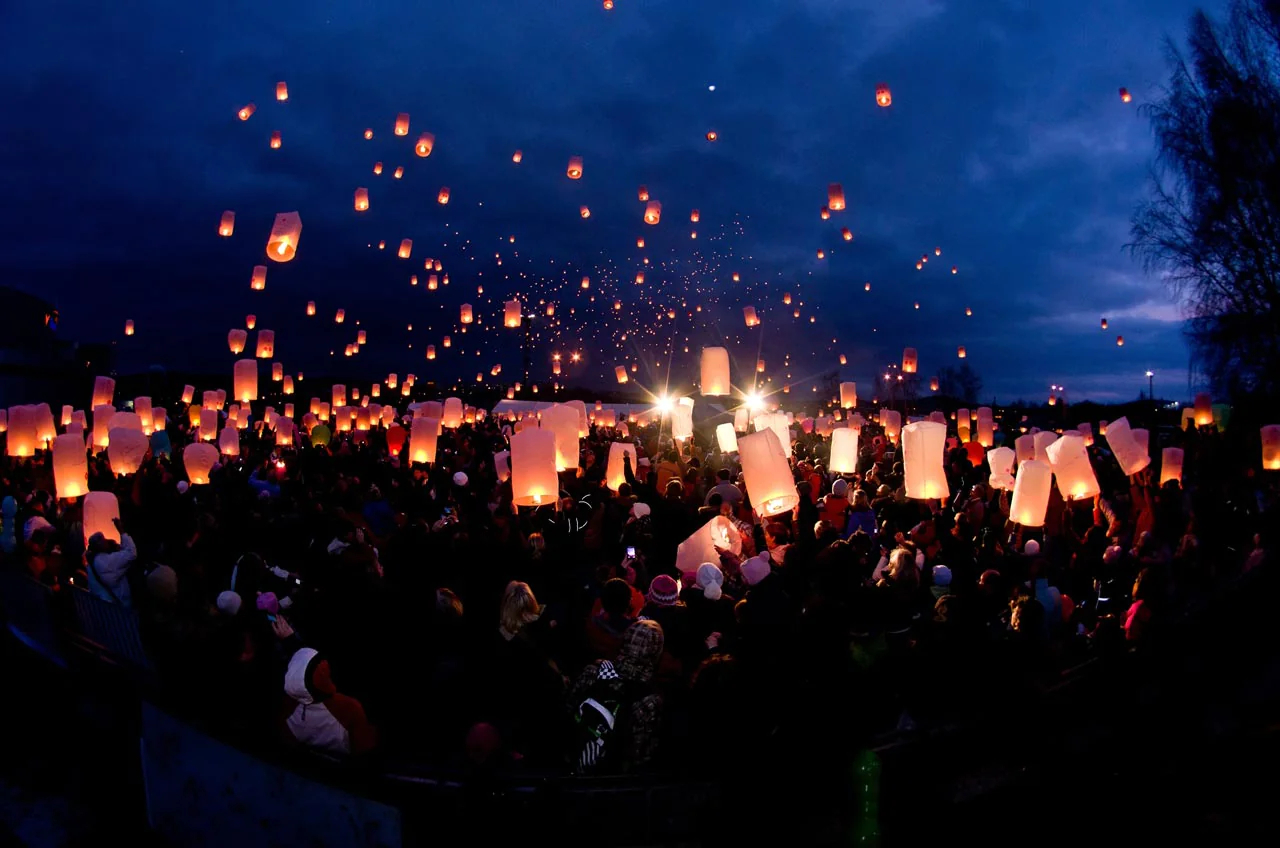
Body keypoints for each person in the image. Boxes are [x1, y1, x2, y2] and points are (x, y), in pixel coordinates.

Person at [569, 620, 666, 772]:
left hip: (573, 754)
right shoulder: (650, 699)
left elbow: (570, 705)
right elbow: (641, 754)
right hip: (611, 775)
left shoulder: (596, 670)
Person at [280, 629, 378, 756]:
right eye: (317, 665)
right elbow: (365, 751)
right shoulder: (349, 708)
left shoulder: (285, 706)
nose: (324, 663)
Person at [86, 518, 138, 607]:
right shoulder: (106, 562)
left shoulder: (91, 564)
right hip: (120, 606)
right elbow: (131, 552)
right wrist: (121, 531)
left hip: (105, 608)